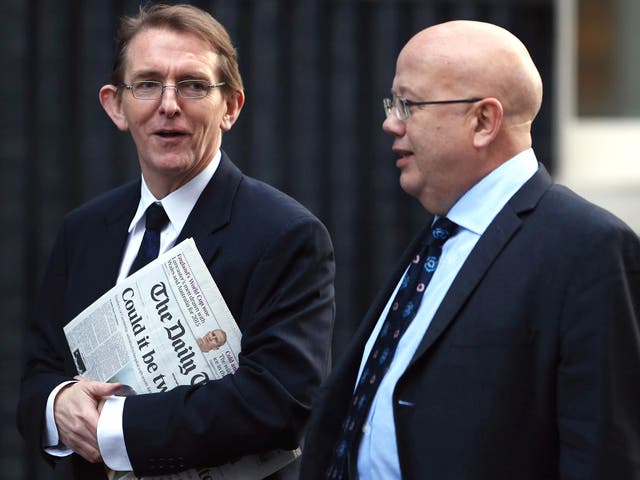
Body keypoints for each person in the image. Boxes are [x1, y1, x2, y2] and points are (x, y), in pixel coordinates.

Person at [300, 20, 640, 480]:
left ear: (483, 121)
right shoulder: (443, 232)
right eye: (392, 103)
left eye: (408, 105)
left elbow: (604, 453)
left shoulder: (589, 247)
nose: (389, 122)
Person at [17, 4, 335, 480]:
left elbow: (279, 403)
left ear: (230, 107)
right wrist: (57, 403)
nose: (169, 104)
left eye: (193, 84)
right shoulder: (82, 231)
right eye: (147, 84)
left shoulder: (286, 234)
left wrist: (111, 428)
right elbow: (37, 374)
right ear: (115, 105)